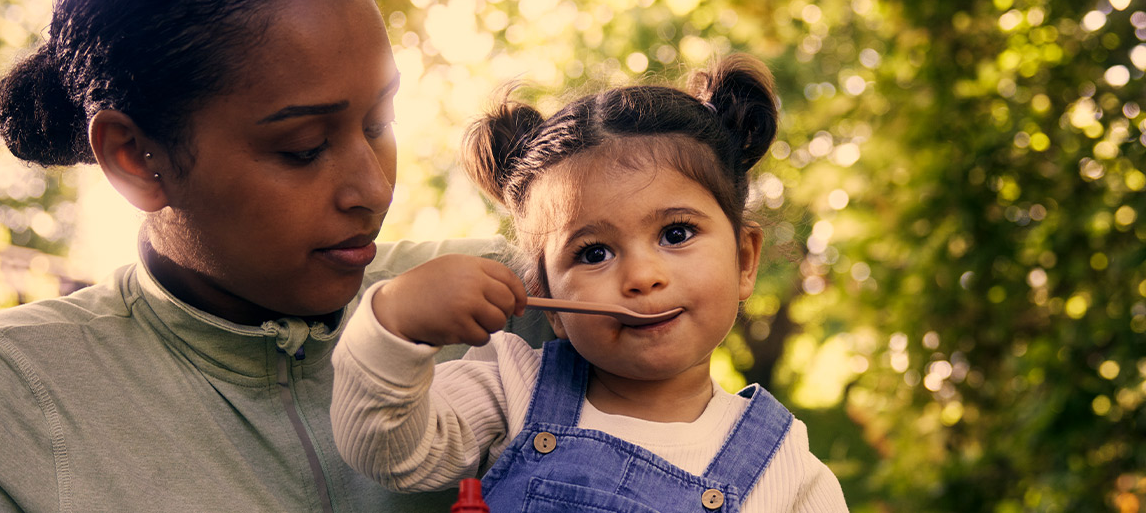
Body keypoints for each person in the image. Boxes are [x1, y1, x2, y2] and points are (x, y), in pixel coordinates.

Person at [0, 0, 548, 512]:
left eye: (379, 123)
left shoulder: (517, 305)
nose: (373, 187)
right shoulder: (10, 393)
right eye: (303, 147)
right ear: (134, 156)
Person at [330, 55, 849, 511]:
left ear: (743, 261)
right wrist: (395, 320)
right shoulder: (511, 385)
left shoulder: (787, 472)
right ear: (551, 300)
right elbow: (385, 452)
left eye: (676, 233)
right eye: (594, 253)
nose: (643, 277)